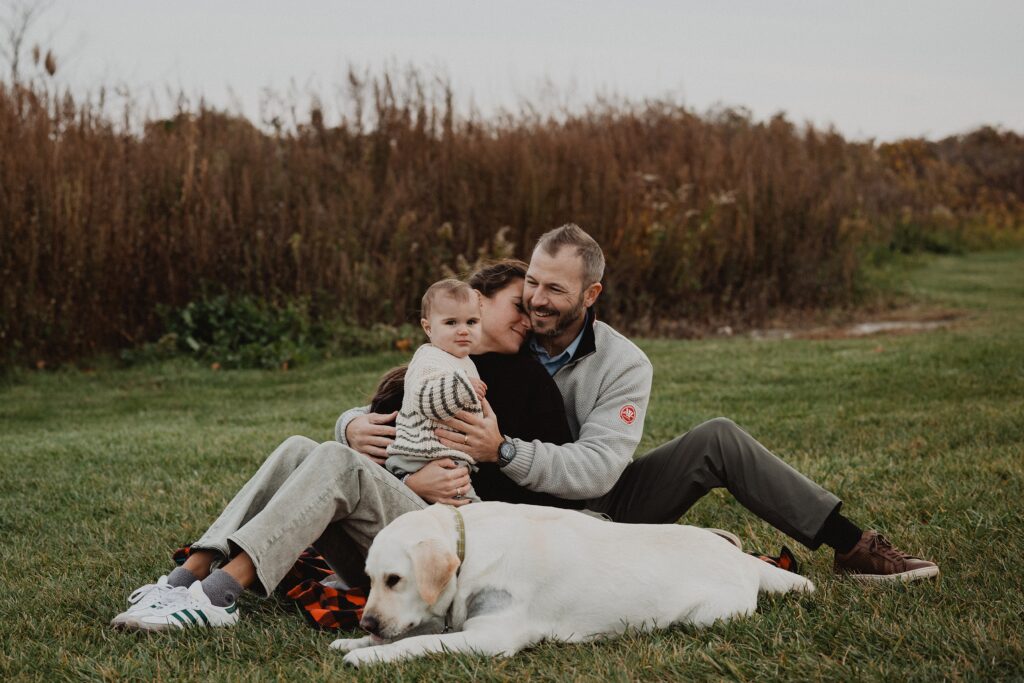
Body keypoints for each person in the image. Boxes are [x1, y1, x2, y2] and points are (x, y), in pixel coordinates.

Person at [345, 224, 940, 582]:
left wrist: (503, 449)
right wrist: (352, 426)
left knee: (718, 437)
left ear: (590, 293)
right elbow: (413, 390)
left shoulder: (624, 364)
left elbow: (600, 468)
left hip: (606, 498)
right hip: (519, 514)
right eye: (531, 284)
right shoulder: (493, 342)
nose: (537, 301)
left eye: (555, 289)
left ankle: (853, 546)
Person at [110, 261, 574, 632]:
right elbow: (380, 427)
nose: (528, 318)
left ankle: (220, 596)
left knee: (332, 461)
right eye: (517, 305)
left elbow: (543, 495)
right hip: (393, 528)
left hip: (451, 544)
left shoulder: (524, 381)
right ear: (477, 302)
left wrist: (501, 452)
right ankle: (186, 577)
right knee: (297, 447)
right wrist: (352, 428)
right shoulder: (438, 364)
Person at [385, 278, 487, 503]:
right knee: (469, 508)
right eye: (451, 323)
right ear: (428, 327)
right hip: (422, 455)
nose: (463, 330)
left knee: (463, 506)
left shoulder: (461, 359)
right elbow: (425, 399)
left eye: (471, 322)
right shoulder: (430, 359)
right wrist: (462, 386)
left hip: (443, 456)